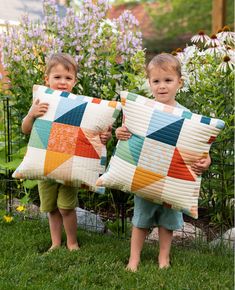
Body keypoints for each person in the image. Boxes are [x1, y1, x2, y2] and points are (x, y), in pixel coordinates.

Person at [116, 53, 211, 271]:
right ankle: (134, 259)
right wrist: (120, 132)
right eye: (156, 81)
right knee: (140, 221)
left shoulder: (187, 116)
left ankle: (163, 258)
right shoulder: (143, 111)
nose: (161, 86)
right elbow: (128, 133)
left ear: (179, 82)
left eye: (168, 80)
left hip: (172, 181)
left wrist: (205, 162)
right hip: (145, 177)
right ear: (149, 83)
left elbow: (200, 149)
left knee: (167, 224)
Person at [22, 53, 111, 251]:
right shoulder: (41, 102)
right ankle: (55, 242)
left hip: (70, 166)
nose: (63, 82)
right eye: (57, 77)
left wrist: (105, 137)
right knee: (51, 208)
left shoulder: (81, 105)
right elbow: (25, 129)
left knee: (66, 207)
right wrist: (31, 114)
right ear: (47, 80)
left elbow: (94, 132)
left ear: (75, 81)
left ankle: (72, 242)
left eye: (68, 78)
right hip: (45, 165)